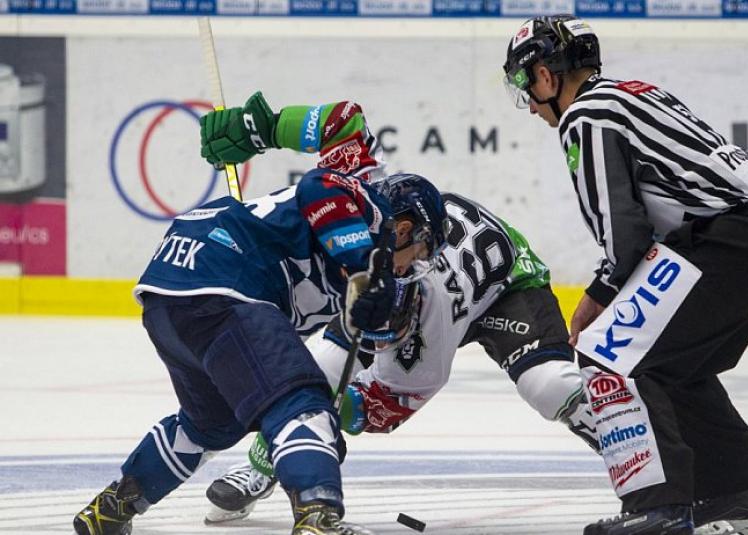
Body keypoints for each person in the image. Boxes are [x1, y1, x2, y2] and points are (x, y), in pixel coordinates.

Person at [72, 93, 450, 535]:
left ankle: (113, 508)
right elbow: (318, 186)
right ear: (406, 229)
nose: (411, 269)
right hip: (224, 277)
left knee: (211, 424)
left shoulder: (362, 216)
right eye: (420, 254)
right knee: (304, 406)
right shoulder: (374, 210)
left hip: (170, 289)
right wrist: (260, 129)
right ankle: (318, 516)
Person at [502, 15, 748, 535]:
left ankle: (658, 508)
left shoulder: (588, 115)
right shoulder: (634, 94)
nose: (531, 106)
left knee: (607, 351)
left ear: (546, 74)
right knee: (671, 364)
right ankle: (728, 494)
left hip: (731, 239)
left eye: (525, 85)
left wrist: (598, 294)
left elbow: (623, 228)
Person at [188, 165, 600, 523]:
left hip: (505, 286)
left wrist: (338, 414)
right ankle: (263, 464)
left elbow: (389, 402)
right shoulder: (362, 230)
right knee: (312, 370)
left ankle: (632, 447)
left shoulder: (432, 308)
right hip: (398, 287)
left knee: (551, 386)